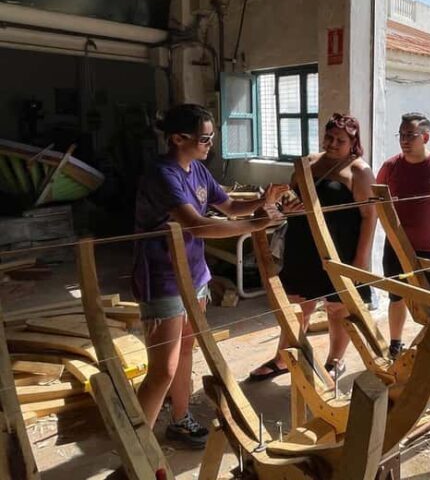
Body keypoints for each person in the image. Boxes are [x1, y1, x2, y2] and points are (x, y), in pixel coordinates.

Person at [133, 103, 284, 449]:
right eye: (204, 139)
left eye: (212, 138)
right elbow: (197, 226)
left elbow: (228, 206)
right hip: (163, 277)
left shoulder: (198, 171)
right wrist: (258, 223)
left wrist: (262, 203)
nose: (209, 146)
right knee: (162, 371)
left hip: (195, 273)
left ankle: (180, 420)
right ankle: (137, 445)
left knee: (185, 351)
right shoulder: (162, 174)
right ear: (177, 138)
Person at [249, 113, 377, 380]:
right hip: (302, 244)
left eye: (340, 140)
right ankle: (283, 358)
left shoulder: (359, 171)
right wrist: (288, 205)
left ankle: (335, 360)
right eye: (328, 137)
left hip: (339, 248)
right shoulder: (308, 162)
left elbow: (369, 217)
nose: (331, 143)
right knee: (297, 305)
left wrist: (360, 261)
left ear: (353, 142)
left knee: (337, 307)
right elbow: (289, 198)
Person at [376, 113, 430, 358]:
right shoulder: (390, 167)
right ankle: (396, 344)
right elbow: (379, 202)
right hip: (396, 246)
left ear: (426, 136)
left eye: (410, 135)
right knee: (396, 295)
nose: (404, 140)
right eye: (401, 135)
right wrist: (392, 232)